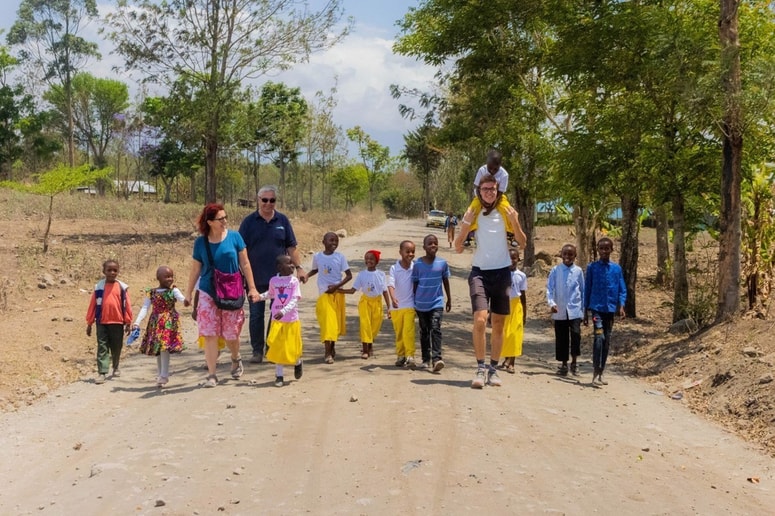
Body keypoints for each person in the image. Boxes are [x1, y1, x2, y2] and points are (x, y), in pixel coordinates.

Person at [454, 173, 527, 388]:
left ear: (498, 191)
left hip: (502, 273)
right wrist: (465, 225)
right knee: (479, 319)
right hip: (479, 272)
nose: (489, 193)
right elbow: (458, 247)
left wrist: (514, 220)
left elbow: (522, 243)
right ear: (479, 191)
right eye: (485, 189)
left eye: (493, 189)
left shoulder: (505, 213)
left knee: (498, 323)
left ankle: (493, 370)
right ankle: (480, 368)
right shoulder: (474, 213)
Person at [184, 203, 260, 388]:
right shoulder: (200, 243)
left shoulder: (235, 237)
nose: (225, 221)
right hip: (208, 292)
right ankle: (212, 374)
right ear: (210, 222)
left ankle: (235, 357)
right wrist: (188, 292)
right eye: (221, 218)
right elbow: (196, 269)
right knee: (209, 333)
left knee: (230, 334)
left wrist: (252, 288)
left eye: (226, 217)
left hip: (231, 291)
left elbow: (246, 264)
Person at [239, 185, 307, 364]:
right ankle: (257, 350)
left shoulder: (282, 220)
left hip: (280, 280)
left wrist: (299, 267)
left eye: (272, 200)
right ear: (258, 200)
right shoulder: (248, 222)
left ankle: (272, 348)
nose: (268, 204)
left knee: (277, 313)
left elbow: (292, 246)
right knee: (255, 314)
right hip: (255, 277)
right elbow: (240, 250)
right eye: (265, 200)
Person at [132, 265, 185, 388]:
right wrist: (137, 322)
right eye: (166, 276)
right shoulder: (152, 293)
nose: (170, 279)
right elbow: (145, 308)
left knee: (164, 347)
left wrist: (188, 301)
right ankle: (161, 374)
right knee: (158, 348)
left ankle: (164, 375)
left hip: (169, 322)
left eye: (171, 276)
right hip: (155, 323)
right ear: (158, 278)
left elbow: (183, 300)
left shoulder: (174, 291)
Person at [584, 237, 627, 386]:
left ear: (611, 250)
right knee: (599, 338)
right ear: (598, 250)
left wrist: (621, 306)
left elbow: (622, 289)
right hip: (596, 310)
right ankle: (595, 371)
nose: (604, 251)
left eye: (606, 248)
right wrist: (585, 310)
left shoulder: (616, 269)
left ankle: (601, 371)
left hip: (610, 310)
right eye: (601, 248)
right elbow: (587, 289)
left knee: (606, 340)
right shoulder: (592, 268)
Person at [85, 259, 134, 385]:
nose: (112, 272)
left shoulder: (122, 287)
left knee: (116, 346)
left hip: (117, 322)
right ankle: (102, 372)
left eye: (115, 270)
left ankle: (116, 366)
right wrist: (90, 323)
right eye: (109, 270)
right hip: (101, 322)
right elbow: (93, 305)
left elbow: (127, 305)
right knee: (102, 346)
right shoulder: (99, 287)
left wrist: (128, 322)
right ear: (104, 271)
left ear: (118, 271)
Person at [307, 231, 352, 364]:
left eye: (336, 241)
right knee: (328, 324)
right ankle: (327, 353)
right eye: (331, 240)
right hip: (324, 295)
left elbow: (349, 275)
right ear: (323, 242)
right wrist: (306, 276)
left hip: (337, 295)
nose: (334, 243)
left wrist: (337, 286)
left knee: (335, 325)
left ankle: (332, 348)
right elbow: (316, 269)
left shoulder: (340, 257)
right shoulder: (318, 256)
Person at [260, 255, 304, 388]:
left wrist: (283, 311)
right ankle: (279, 376)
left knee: (291, 348)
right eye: (289, 263)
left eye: (292, 263)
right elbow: (271, 294)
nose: (292, 266)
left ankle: (297, 362)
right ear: (279, 267)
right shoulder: (274, 280)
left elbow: (294, 299)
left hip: (291, 321)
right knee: (278, 348)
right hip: (277, 321)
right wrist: (259, 297)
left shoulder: (294, 281)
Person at [341, 250, 391, 359]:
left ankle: (370, 345)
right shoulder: (362, 274)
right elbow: (353, 290)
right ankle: (365, 350)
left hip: (377, 302)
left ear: (376, 261)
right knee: (365, 325)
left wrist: (389, 307)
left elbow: (385, 291)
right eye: (367, 258)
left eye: (372, 259)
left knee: (375, 325)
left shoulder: (381, 274)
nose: (369, 261)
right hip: (365, 303)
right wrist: (339, 290)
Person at [460, 149, 516, 246]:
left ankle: (510, 233)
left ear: (500, 165)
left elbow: (500, 192)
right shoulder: (482, 170)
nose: (492, 171)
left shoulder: (504, 174)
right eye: (490, 168)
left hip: (497, 197)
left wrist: (491, 206)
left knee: (507, 210)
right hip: (481, 195)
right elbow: (477, 188)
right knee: (472, 210)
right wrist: (483, 202)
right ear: (487, 163)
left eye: (496, 169)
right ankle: (469, 234)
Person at [412, 234, 452, 372]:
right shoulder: (417, 264)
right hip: (421, 304)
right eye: (430, 243)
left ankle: (436, 359)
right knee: (424, 331)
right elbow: (415, 284)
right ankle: (425, 359)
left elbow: (446, 281)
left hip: (437, 302)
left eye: (435, 243)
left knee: (435, 329)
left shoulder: (442, 263)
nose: (433, 245)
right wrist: (413, 301)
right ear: (424, 247)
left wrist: (449, 299)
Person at [547, 244, 585, 377]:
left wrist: (583, 310)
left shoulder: (578, 271)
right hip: (560, 309)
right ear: (561, 255)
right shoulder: (555, 270)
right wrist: (551, 303)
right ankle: (563, 364)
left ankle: (574, 362)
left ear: (575, 256)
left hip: (575, 309)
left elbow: (582, 290)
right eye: (565, 254)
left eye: (571, 255)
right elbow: (550, 289)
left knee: (575, 335)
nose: (568, 257)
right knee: (561, 337)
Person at [387, 240, 417, 368]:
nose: (410, 254)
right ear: (400, 252)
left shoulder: (415, 267)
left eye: (413, 252)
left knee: (408, 331)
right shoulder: (394, 268)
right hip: (396, 307)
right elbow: (390, 284)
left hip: (410, 305)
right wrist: (393, 299)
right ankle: (401, 355)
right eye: (407, 251)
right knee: (399, 332)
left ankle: (410, 356)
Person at [500, 248, 527, 374]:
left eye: (514, 258)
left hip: (516, 307)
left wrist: (524, 314)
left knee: (515, 335)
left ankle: (512, 363)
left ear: (518, 259)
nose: (512, 261)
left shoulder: (521, 276)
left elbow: (523, 296)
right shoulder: (501, 274)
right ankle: (506, 359)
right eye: (509, 258)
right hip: (504, 305)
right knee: (505, 334)